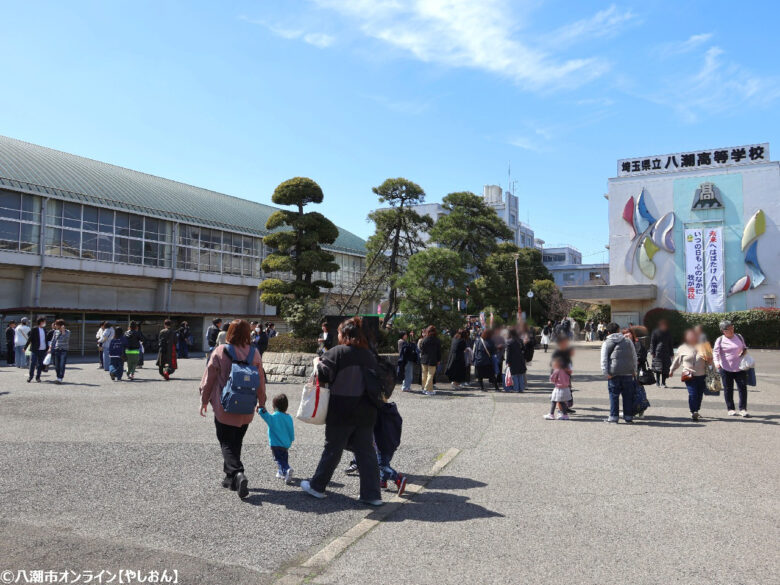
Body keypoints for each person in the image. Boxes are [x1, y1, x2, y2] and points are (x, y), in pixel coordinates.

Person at [301, 317, 383, 506]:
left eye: (338, 332)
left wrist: (315, 362)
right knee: (366, 452)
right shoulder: (369, 355)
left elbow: (323, 375)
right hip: (367, 409)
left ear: (345, 334)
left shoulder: (337, 353)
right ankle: (372, 495)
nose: (336, 335)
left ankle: (317, 486)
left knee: (333, 448)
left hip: (342, 409)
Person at [200, 319, 266, 498]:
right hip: (246, 407)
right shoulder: (255, 353)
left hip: (225, 406)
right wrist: (262, 402)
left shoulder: (220, 351)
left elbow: (209, 380)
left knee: (226, 442)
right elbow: (260, 381)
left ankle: (238, 472)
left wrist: (204, 400)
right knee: (236, 441)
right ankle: (230, 479)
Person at [601, 322, 637, 423]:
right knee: (627, 395)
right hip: (628, 372)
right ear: (618, 330)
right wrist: (635, 370)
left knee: (613, 395)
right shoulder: (628, 341)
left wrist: (605, 372)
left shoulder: (606, 343)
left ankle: (614, 417)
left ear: (608, 332)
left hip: (613, 372)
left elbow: (603, 359)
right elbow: (634, 356)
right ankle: (628, 416)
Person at [670, 329, 710, 421]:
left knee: (699, 394)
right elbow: (677, 361)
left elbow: (710, 361)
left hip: (702, 375)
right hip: (688, 374)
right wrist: (671, 370)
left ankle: (696, 409)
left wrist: (710, 363)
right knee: (693, 393)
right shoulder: (682, 348)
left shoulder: (705, 347)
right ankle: (693, 411)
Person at [713, 320, 750, 417]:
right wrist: (717, 363)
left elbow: (744, 347)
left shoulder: (739, 336)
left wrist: (744, 353)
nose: (731, 330)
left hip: (740, 367)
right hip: (725, 368)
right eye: (728, 329)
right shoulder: (720, 340)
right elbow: (715, 353)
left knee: (742, 388)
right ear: (723, 331)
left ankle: (743, 409)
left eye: (732, 327)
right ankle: (731, 408)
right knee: (728, 389)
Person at [259, 393, 295, 484]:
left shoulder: (274, 417)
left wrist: (260, 409)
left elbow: (266, 416)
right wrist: (291, 439)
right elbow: (291, 430)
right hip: (286, 443)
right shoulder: (289, 417)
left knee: (278, 459)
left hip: (275, 444)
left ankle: (286, 470)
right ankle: (281, 471)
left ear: (274, 406)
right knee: (284, 458)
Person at [24, 317, 49, 383]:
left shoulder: (45, 330)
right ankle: (30, 377)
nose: (45, 323)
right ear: (40, 322)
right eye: (44, 322)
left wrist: (48, 348)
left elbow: (46, 340)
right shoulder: (34, 329)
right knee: (33, 363)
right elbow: (30, 338)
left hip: (43, 349)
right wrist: (25, 347)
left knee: (40, 364)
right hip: (35, 349)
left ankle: (38, 377)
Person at [419, 325, 442, 395]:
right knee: (430, 375)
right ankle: (427, 389)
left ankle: (425, 389)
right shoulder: (437, 340)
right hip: (432, 359)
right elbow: (439, 351)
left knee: (424, 374)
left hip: (423, 359)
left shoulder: (424, 339)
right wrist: (439, 360)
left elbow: (421, 349)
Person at [650, 319, 673, 387]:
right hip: (657, 352)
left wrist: (671, 354)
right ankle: (657, 381)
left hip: (666, 352)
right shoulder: (655, 332)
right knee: (658, 368)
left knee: (665, 369)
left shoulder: (668, 332)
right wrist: (652, 352)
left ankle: (663, 382)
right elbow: (652, 342)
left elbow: (670, 343)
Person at [47, 319, 70, 383]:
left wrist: (63, 331)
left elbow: (65, 339)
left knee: (62, 365)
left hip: (64, 350)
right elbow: (53, 341)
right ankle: (58, 377)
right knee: (56, 365)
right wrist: (50, 348)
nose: (55, 325)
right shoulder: (55, 332)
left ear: (60, 325)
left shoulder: (67, 332)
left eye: (56, 324)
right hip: (56, 350)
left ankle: (60, 378)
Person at [504, 328, 527, 392]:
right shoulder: (520, 340)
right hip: (520, 360)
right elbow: (524, 349)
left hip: (513, 360)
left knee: (514, 375)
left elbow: (508, 354)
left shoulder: (509, 342)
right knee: (520, 374)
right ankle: (521, 388)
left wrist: (507, 362)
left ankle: (516, 388)